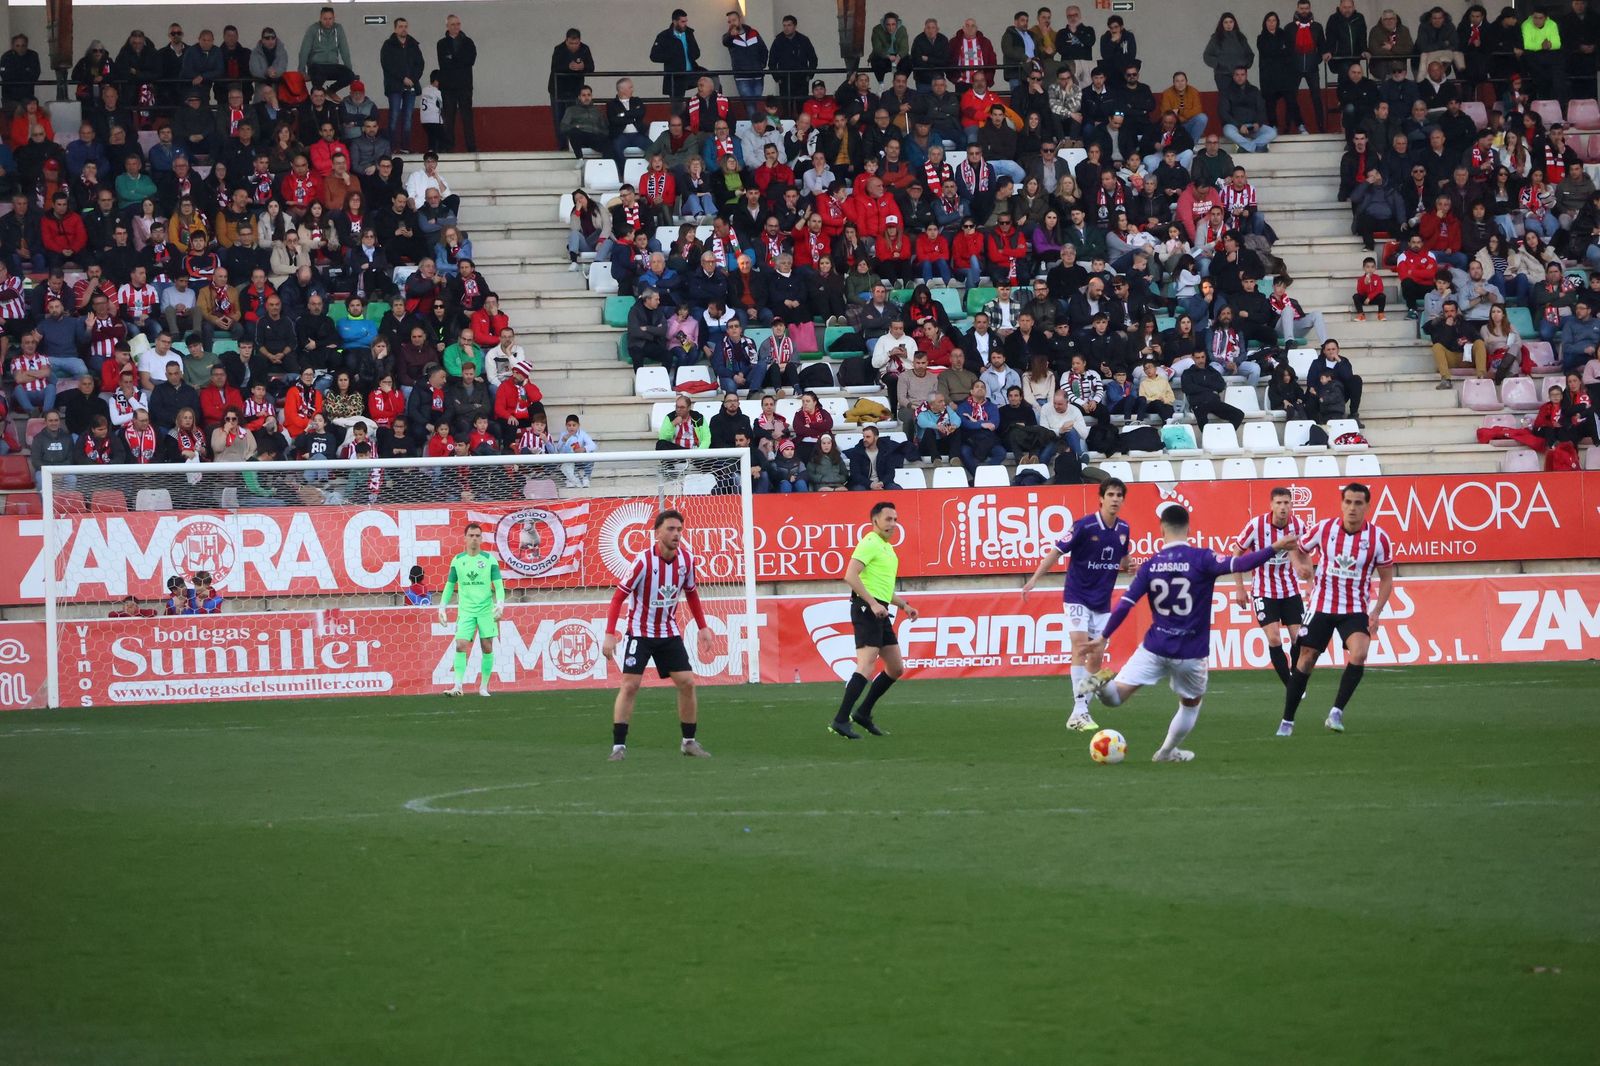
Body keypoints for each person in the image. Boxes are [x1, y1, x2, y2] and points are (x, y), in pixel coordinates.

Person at [1078, 505, 1300, 763]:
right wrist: (1275, 547)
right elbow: (1241, 562)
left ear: (1161, 529)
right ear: (1189, 528)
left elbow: (1126, 603)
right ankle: (1165, 752)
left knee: (1114, 699)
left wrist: (1103, 637)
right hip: (1191, 652)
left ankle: (1100, 683)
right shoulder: (1202, 558)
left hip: (1155, 646)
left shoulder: (1151, 565)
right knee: (1190, 705)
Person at [1276, 482, 1395, 737]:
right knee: (1306, 659)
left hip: (1355, 608)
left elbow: (1387, 578)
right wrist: (1300, 566)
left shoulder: (1379, 539)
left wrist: (1376, 613)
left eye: (1358, 503)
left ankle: (1336, 712)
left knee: (1360, 652)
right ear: (1342, 504)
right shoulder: (1324, 529)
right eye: (1348, 502)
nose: (1352, 508)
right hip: (1322, 604)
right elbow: (1296, 549)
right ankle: (1287, 721)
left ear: (1367, 506)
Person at [1020, 477, 1131, 732]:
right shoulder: (1085, 525)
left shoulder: (1124, 529)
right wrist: (1034, 579)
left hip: (1102, 601)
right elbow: (1056, 551)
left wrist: (1130, 566)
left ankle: (1079, 712)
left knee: (1097, 657)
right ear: (1101, 498)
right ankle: (1081, 710)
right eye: (1111, 494)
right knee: (1081, 647)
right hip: (1077, 596)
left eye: (1119, 495)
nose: (1115, 499)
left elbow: (1124, 560)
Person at [603, 509, 714, 761]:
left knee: (687, 682)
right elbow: (618, 596)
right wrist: (610, 633)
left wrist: (702, 626)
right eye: (671, 529)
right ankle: (618, 747)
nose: (676, 534)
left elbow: (692, 593)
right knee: (630, 685)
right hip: (640, 633)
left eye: (679, 530)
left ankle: (689, 742)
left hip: (668, 631)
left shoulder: (686, 560)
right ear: (657, 533)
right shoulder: (643, 562)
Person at [830, 500, 920, 739]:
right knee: (866, 665)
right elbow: (850, 575)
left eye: (895, 520)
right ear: (874, 522)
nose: (893, 524)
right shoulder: (869, 543)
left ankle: (863, 713)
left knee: (896, 667)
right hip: (866, 610)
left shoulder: (886, 548)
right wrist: (871, 603)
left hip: (879, 610)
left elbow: (882, 588)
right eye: (888, 519)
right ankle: (840, 719)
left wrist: (904, 605)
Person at [1232, 487, 1310, 690]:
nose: (1283, 507)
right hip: (1263, 591)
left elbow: (1304, 553)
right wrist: (1239, 588)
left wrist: (1310, 584)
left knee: (1299, 638)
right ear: (1271, 505)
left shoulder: (1298, 525)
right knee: (1274, 637)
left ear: (1292, 505)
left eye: (1286, 503)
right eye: (1279, 503)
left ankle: (1294, 672)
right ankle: (1291, 685)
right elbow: (1236, 554)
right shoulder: (1256, 525)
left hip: (1290, 590)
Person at [437, 521, 505, 698]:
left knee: (487, 646)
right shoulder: (458, 560)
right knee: (460, 644)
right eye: (471, 535)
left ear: (481, 539)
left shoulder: (489, 560)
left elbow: (498, 585)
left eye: (477, 536)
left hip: (485, 610)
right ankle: (458, 686)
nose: (474, 539)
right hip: (466, 611)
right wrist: (442, 607)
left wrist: (500, 604)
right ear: (465, 538)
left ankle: (483, 687)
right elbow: (450, 585)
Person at [437, 14, 478, 152]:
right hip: (448, 87)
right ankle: (449, 147)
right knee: (449, 118)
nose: (456, 27)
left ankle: (471, 147)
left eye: (458, 24)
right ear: (447, 26)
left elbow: (470, 60)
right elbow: (444, 64)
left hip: (465, 86)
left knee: (467, 117)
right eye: (453, 24)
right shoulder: (441, 44)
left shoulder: (468, 42)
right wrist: (459, 60)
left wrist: (453, 58)